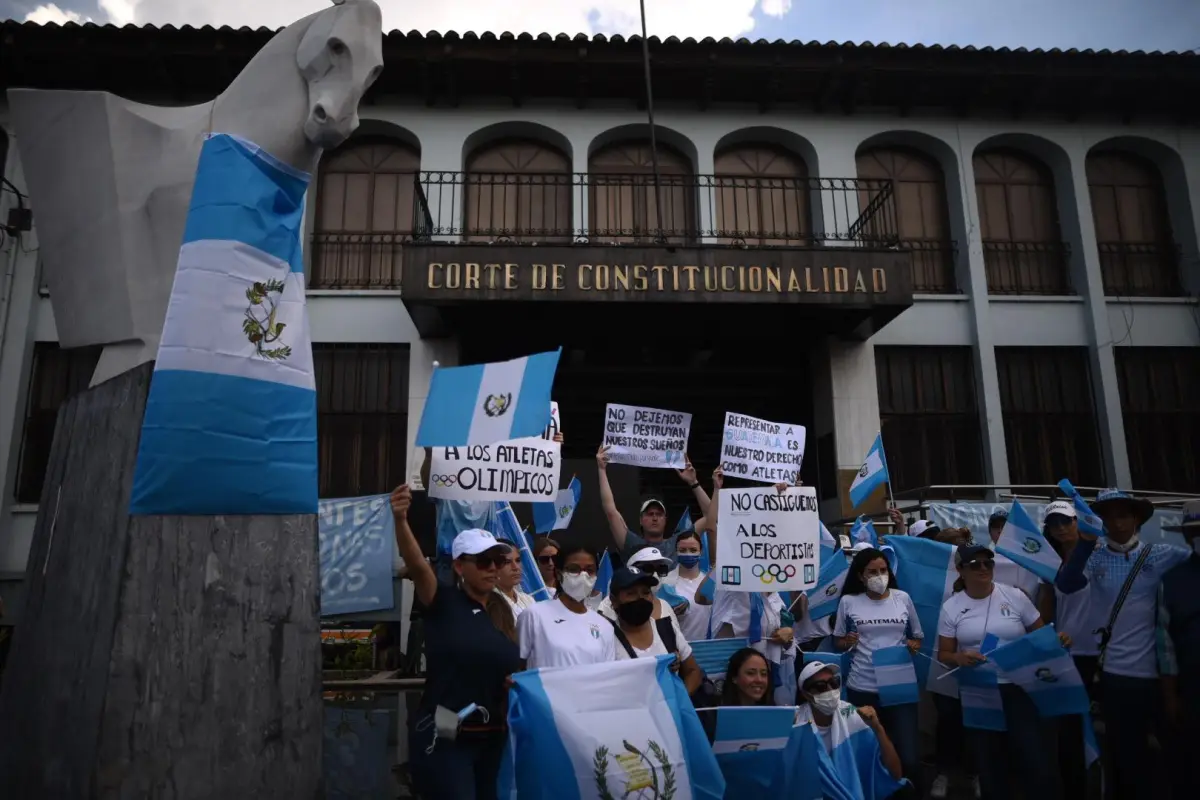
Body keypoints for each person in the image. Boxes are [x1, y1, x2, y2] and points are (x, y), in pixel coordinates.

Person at [1055, 488, 1192, 800]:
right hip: (1117, 674)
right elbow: (1066, 583)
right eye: (1108, 516)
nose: (1116, 522)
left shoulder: (1165, 555)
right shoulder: (1092, 557)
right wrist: (1086, 543)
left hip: (1163, 676)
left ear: (1137, 519)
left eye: (1124, 515)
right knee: (1127, 759)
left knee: (1178, 755)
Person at [387, 485, 521, 800]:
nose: (492, 568)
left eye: (497, 561)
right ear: (460, 566)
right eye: (483, 561)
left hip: (492, 735)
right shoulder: (442, 600)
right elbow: (418, 563)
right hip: (446, 730)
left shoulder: (503, 612)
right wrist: (400, 519)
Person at [937, 543, 1067, 800]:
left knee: (1034, 757)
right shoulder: (951, 607)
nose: (983, 568)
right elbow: (944, 655)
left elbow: (1040, 636)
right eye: (975, 564)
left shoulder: (1015, 596)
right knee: (988, 761)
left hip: (1019, 687)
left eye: (988, 563)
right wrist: (960, 657)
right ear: (961, 570)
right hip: (979, 689)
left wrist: (1056, 640)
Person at [833, 547, 923, 790]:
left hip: (900, 687)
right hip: (862, 687)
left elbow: (917, 636)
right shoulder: (848, 601)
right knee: (870, 753)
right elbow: (838, 640)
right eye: (872, 572)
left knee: (908, 755)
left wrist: (914, 644)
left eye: (883, 570)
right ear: (861, 576)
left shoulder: (902, 598)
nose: (879, 575)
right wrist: (847, 642)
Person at [794, 661, 905, 798]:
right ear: (806, 694)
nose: (830, 689)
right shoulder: (797, 723)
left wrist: (878, 728)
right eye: (821, 686)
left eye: (834, 683)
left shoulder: (851, 714)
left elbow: (895, 773)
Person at [595, 446, 711, 565]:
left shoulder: (679, 543)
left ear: (665, 520)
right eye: (650, 514)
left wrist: (694, 482)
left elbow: (710, 517)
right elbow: (611, 511)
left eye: (659, 514)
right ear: (641, 520)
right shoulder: (631, 543)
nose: (655, 518)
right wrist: (601, 469)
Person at [516, 543, 616, 668]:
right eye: (574, 569)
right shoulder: (534, 615)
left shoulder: (605, 626)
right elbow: (518, 667)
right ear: (559, 574)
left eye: (589, 570)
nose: (583, 576)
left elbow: (607, 675)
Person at [1158, 499, 1200, 800]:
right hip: (1192, 685)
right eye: (1194, 531)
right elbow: (1165, 644)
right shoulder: (1171, 580)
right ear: (1186, 536)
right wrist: (1171, 695)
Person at [607, 565, 703, 694]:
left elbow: (693, 671)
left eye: (646, 592)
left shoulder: (667, 629)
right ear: (614, 601)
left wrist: (678, 701)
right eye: (631, 593)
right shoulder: (606, 638)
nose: (640, 598)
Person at [596, 546, 684, 628]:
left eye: (661, 569)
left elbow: (678, 642)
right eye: (648, 568)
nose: (655, 574)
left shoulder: (665, 606)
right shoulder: (607, 606)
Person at [662, 530, 713, 642]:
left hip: (708, 648)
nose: (688, 553)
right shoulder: (665, 583)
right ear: (676, 552)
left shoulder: (710, 582)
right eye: (683, 550)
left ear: (701, 551)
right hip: (678, 649)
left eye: (693, 550)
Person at [495, 547, 534, 621]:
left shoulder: (528, 599)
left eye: (518, 560)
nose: (515, 567)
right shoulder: (491, 605)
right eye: (507, 562)